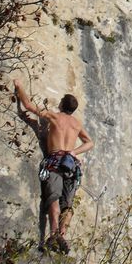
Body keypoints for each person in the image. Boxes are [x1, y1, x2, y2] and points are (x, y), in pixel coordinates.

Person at [13, 79, 94, 253]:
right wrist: (74, 152)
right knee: (68, 204)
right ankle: (63, 234)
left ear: (62, 104)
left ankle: (53, 233)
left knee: (54, 198)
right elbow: (89, 143)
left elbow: (27, 105)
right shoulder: (76, 124)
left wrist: (19, 87)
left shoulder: (54, 117)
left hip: (55, 162)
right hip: (71, 165)